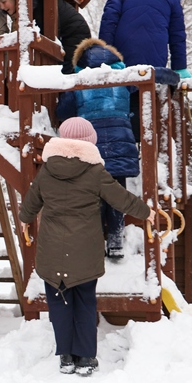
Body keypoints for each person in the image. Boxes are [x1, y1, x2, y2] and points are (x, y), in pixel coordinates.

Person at [18, 117, 155, 376]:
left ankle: (66, 357)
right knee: (84, 302)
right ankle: (86, 358)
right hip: (85, 251)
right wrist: (146, 212)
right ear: (89, 142)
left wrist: (24, 220)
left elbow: (31, 203)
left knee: (59, 303)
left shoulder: (46, 170)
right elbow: (121, 199)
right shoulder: (95, 172)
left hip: (52, 251)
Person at [56, 38, 141, 260]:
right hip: (120, 139)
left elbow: (63, 111)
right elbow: (136, 89)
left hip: (90, 142)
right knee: (116, 191)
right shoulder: (123, 75)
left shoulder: (78, 79)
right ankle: (115, 241)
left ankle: (93, 241)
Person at [98, 0, 190, 139]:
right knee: (146, 95)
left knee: (122, 93)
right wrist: (180, 67)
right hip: (155, 56)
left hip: (121, 54)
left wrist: (106, 55)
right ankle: (144, 139)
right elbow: (177, 36)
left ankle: (126, 136)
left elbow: (108, 22)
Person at [0, 0, 91, 74]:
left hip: (73, 40)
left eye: (4, 2)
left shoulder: (41, 8)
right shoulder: (32, 7)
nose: (2, 7)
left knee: (61, 75)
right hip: (70, 41)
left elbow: (42, 39)